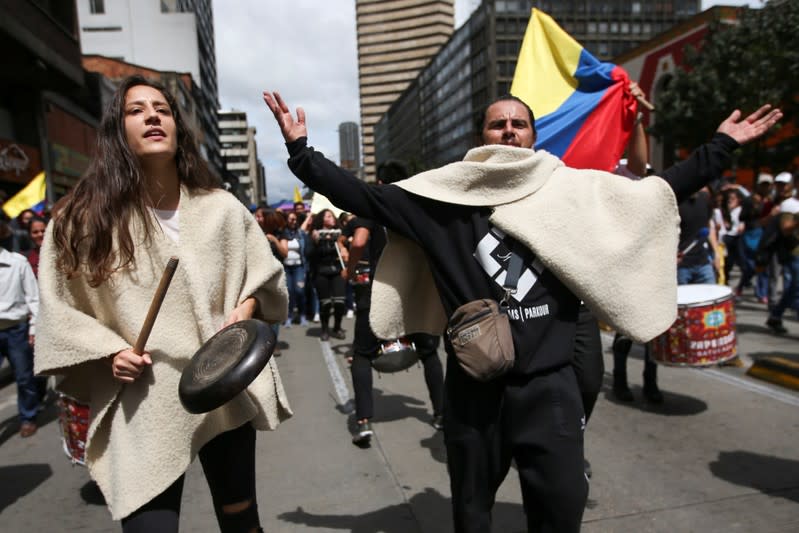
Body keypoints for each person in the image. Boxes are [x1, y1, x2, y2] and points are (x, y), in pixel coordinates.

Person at [264, 90, 780, 532]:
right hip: (474, 395)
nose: (509, 130)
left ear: (533, 135)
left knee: (560, 514)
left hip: (550, 390)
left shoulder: (569, 189)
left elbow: (653, 194)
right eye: (498, 123)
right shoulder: (441, 199)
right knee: (471, 515)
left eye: (519, 123)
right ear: (482, 135)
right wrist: (301, 152)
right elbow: (363, 197)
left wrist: (722, 146)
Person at [36, 76, 291, 532]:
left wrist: (247, 308)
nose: (153, 116)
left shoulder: (222, 209)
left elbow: (263, 279)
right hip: (144, 400)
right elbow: (59, 311)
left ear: (178, 127)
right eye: (136, 110)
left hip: (220, 389)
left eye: (163, 109)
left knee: (242, 522)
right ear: (117, 130)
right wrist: (109, 351)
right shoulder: (82, 219)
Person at [345, 160, 445, 445]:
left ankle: (363, 421)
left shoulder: (374, 204)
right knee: (429, 354)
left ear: (379, 182)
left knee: (362, 354)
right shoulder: (421, 204)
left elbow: (359, 241)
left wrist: (350, 270)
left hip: (382, 289)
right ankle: (441, 413)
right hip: (420, 291)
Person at [0, 215, 40, 437]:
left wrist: (33, 328)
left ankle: (28, 417)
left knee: (24, 377)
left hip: (17, 330)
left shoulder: (18, 263)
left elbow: (33, 299)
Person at [309, 208, 348, 340]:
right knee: (325, 303)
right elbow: (309, 254)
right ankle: (325, 329)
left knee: (340, 302)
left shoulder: (339, 235)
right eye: (328, 216)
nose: (331, 218)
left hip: (337, 271)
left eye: (332, 216)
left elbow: (347, 249)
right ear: (322, 219)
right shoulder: (314, 235)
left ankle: (337, 327)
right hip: (321, 272)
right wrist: (315, 242)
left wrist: (342, 246)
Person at [279, 210, 311, 327]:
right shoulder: (283, 233)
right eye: (291, 219)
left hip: (299, 267)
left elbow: (305, 224)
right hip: (287, 268)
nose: (294, 221)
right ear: (287, 221)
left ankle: (302, 315)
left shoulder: (300, 233)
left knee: (299, 291)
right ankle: (289, 316)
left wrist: (309, 215)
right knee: (290, 292)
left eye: (295, 219)